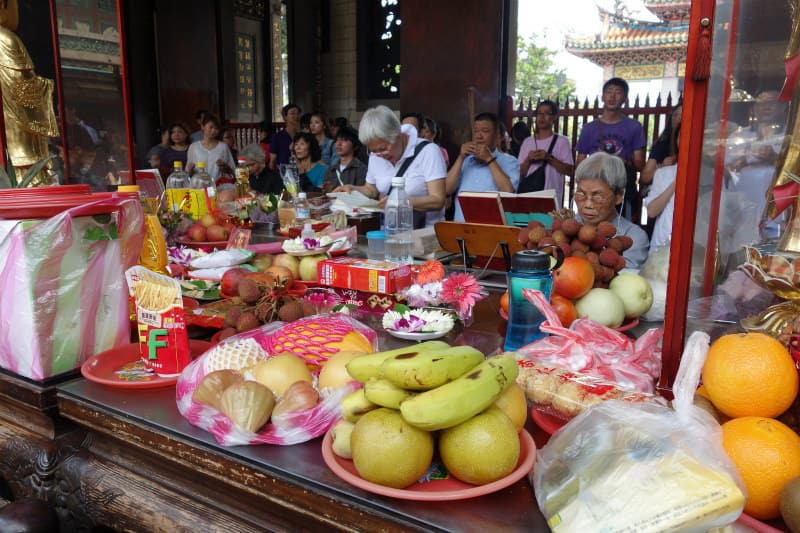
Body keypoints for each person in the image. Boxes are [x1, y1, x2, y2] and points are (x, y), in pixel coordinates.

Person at [335, 105, 447, 228]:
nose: (380, 155)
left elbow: (438, 200)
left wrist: (401, 202)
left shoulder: (429, 152)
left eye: (383, 148)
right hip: (390, 230)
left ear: (398, 134)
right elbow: (371, 190)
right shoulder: (375, 156)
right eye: (374, 150)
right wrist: (353, 189)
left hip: (425, 233)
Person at [0, 0, 60, 185]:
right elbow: (24, 92)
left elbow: (21, 88)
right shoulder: (4, 38)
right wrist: (44, 87)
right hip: (15, 146)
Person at [576, 77, 646, 221]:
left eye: (618, 92)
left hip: (620, 191)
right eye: (609, 92)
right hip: (594, 191)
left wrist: (622, 161)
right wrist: (596, 162)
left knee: (619, 232)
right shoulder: (589, 128)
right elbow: (579, 164)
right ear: (602, 96)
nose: (613, 96)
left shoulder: (634, 127)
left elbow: (640, 164)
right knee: (590, 231)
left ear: (625, 98)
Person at [725, 89, 787, 239]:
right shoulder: (739, 137)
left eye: (771, 103)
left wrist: (774, 158)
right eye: (760, 103)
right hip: (742, 216)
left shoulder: (788, 136)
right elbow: (725, 173)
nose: (765, 107)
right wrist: (745, 159)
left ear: (783, 107)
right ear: (753, 108)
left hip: (779, 218)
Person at [574, 152, 649, 269]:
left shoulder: (633, 237)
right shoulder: (566, 228)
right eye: (581, 194)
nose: (588, 204)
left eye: (597, 196)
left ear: (619, 196)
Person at [446, 112, 519, 222]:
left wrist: (489, 159)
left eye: (485, 131)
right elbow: (446, 189)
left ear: (497, 135)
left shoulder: (509, 161)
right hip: (461, 227)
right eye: (475, 131)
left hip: (490, 230)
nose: (479, 136)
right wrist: (460, 157)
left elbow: (508, 191)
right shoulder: (466, 160)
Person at [517, 100, 574, 208]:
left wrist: (549, 158)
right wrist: (528, 159)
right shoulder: (527, 142)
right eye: (539, 113)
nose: (542, 117)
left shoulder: (562, 141)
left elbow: (569, 171)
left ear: (554, 117)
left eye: (547, 113)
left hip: (552, 198)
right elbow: (520, 173)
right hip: (529, 196)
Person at [643, 127, 680, 256]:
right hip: (662, 243)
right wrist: (677, 182)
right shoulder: (663, 173)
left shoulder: (710, 175)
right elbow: (652, 211)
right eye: (680, 136)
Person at [186, 114, 235, 185]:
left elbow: (232, 170)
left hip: (219, 186)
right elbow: (188, 172)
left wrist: (225, 167)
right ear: (202, 127)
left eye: (216, 128)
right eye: (211, 127)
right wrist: (190, 170)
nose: (214, 131)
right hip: (199, 186)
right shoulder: (194, 147)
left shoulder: (223, 147)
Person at [640, 105, 682, 187]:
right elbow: (645, 178)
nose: (679, 118)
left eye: (683, 114)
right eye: (676, 114)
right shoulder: (662, 144)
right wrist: (662, 166)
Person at [322, 126, 367, 192]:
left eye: (344, 140)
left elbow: (362, 195)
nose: (338, 143)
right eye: (337, 140)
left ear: (355, 146)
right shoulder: (331, 170)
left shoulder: (361, 169)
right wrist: (327, 190)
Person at [269, 103, 301, 170]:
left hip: (301, 171)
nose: (296, 116)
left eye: (298, 113)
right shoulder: (277, 137)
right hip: (283, 173)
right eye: (292, 113)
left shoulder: (302, 136)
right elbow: (272, 161)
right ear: (285, 117)